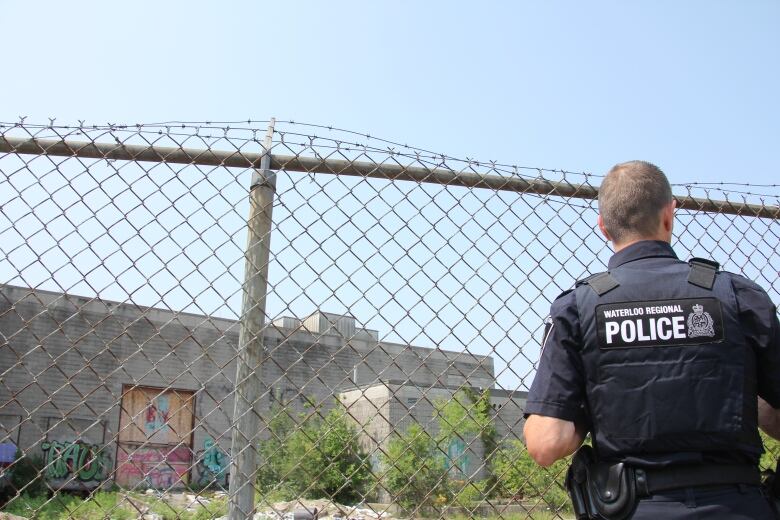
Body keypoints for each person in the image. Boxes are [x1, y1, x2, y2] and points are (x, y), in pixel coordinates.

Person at [523, 160, 780, 518]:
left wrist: (593, 406)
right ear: (669, 215)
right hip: (739, 504)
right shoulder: (738, 294)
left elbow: (546, 443)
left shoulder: (576, 308)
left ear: (603, 227)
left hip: (633, 505)